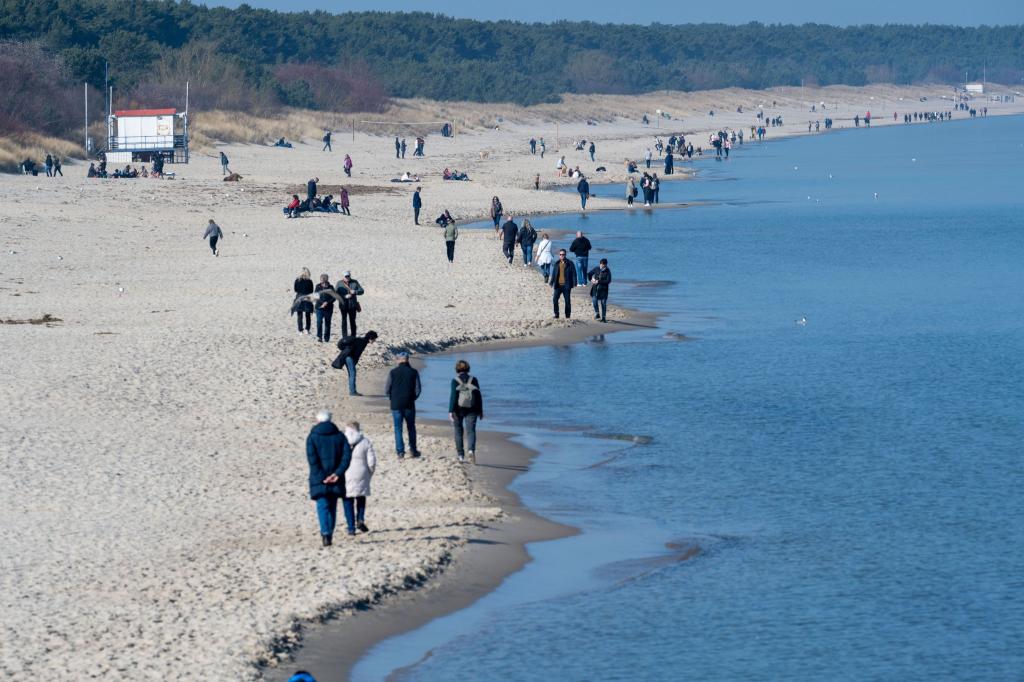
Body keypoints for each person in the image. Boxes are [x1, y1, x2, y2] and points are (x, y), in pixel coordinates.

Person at [305, 409, 351, 546]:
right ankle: (328, 533)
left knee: (323, 505)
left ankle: (326, 533)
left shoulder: (312, 436)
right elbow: (346, 458)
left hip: (321, 477)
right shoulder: (340, 436)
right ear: (330, 420)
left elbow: (312, 460)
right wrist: (337, 473)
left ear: (318, 421)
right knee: (332, 506)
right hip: (335, 476)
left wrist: (324, 476)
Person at [385, 351, 421, 459]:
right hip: (409, 403)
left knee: (398, 428)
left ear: (399, 360)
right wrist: (413, 398)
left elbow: (387, 389)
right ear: (407, 360)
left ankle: (400, 452)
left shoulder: (393, 372)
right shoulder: (414, 372)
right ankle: (413, 450)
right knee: (411, 427)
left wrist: (392, 398)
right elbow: (418, 389)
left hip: (396, 403)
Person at [343, 421, 376, 534]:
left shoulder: (341, 440)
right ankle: (360, 519)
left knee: (348, 499)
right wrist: (370, 473)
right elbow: (371, 461)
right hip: (361, 471)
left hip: (346, 471)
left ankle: (351, 527)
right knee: (361, 496)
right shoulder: (365, 441)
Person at [448, 360, 483, 464]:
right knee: (471, 431)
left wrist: (450, 410)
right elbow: (478, 396)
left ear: (457, 369)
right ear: (468, 368)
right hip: (472, 408)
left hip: (458, 410)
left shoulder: (455, 380)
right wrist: (480, 410)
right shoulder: (474, 379)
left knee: (458, 431)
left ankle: (460, 456)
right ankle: (471, 450)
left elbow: (453, 396)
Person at [333, 330, 377, 396]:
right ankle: (352, 391)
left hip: (347, 356)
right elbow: (357, 353)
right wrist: (354, 361)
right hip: (349, 357)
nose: (374, 341)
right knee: (352, 374)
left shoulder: (361, 340)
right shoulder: (363, 342)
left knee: (351, 374)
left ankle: (352, 390)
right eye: (374, 339)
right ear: (371, 338)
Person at [336, 270, 364, 338]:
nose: (347, 277)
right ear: (343, 277)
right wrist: (344, 296)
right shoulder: (339, 283)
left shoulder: (355, 282)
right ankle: (344, 336)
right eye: (346, 276)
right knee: (344, 321)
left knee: (352, 321)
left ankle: (353, 336)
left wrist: (355, 291)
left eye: (348, 276)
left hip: (352, 305)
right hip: (343, 305)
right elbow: (336, 294)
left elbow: (362, 291)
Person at [550, 249, 577, 319]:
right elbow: (554, 274)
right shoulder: (557, 263)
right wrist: (551, 282)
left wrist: (574, 283)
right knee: (554, 300)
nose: (562, 256)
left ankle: (567, 316)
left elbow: (574, 273)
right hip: (558, 285)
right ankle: (556, 314)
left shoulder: (570, 263)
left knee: (567, 301)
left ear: (565, 255)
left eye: (563, 254)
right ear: (559, 255)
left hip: (566, 285)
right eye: (560, 254)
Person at [315, 273, 335, 343]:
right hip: (319, 307)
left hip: (328, 308)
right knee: (319, 321)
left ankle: (326, 338)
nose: (321, 281)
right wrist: (322, 303)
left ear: (326, 280)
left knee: (327, 323)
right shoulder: (318, 286)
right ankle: (319, 337)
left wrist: (327, 302)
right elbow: (316, 296)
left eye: (322, 279)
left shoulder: (331, 287)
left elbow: (333, 298)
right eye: (321, 279)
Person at [294, 268, 314, 334]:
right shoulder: (309, 281)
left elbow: (295, 289)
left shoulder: (297, 280)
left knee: (299, 315)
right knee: (307, 314)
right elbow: (311, 290)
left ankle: (300, 330)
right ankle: (307, 329)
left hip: (299, 297)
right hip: (307, 297)